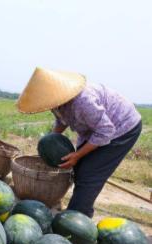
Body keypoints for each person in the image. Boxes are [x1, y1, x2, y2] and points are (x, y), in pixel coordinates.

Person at [17, 67, 142, 217]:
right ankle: (83, 208)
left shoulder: (83, 101)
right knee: (80, 168)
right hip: (95, 129)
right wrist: (47, 142)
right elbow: (62, 120)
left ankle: (76, 217)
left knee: (90, 173)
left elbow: (106, 131)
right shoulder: (56, 101)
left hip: (122, 128)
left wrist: (77, 155)